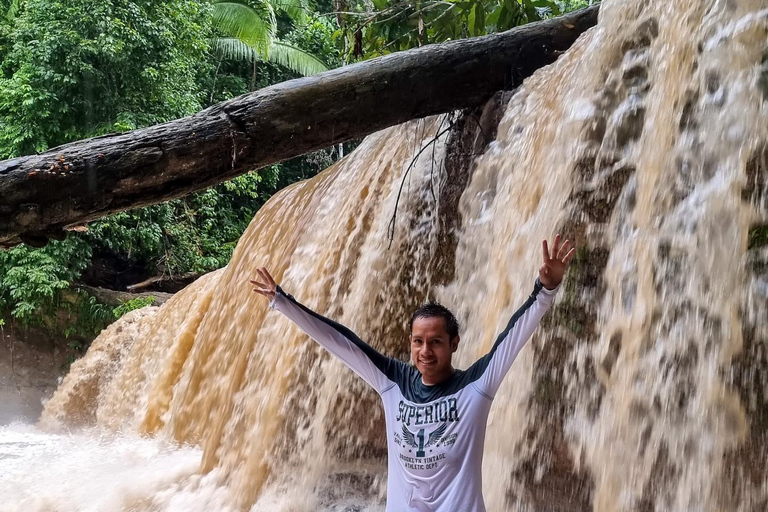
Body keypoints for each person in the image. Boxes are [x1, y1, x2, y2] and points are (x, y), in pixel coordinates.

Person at [250, 234, 575, 512]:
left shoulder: (475, 386)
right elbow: (340, 341)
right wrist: (282, 301)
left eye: (435, 342)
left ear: (454, 344)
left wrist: (545, 289)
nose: (425, 351)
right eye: (418, 341)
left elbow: (512, 337)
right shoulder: (393, 382)